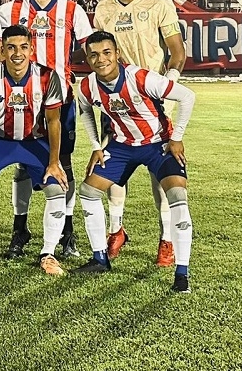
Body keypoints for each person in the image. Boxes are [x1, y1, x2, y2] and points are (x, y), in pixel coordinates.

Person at [71, 31, 195, 293]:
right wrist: (96, 145)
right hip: (121, 146)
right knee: (89, 191)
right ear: (88, 59)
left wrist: (177, 137)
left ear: (117, 54)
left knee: (177, 196)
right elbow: (84, 110)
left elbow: (187, 97)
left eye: (106, 52)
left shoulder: (140, 77)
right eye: (93, 54)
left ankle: (182, 273)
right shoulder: (87, 86)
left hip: (158, 145)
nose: (100, 59)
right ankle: (99, 258)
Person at [0, 0, 92, 259]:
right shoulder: (11, 10)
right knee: (23, 164)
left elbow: (89, 50)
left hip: (60, 100)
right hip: (23, 100)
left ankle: (67, 231)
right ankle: (19, 228)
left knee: (64, 163)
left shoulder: (72, 10)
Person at [93, 0, 187, 266]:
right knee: (114, 170)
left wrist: (168, 84)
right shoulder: (103, 9)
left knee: (159, 173)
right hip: (117, 101)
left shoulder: (159, 5)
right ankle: (116, 230)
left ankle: (166, 239)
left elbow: (177, 51)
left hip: (154, 101)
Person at [0, 24, 69, 276]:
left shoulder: (47, 76)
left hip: (34, 141)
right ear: (2, 50)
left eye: (23, 47)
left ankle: (48, 254)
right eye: (10, 47)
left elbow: (54, 121)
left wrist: (54, 162)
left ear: (31, 49)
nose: (17, 53)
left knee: (56, 188)